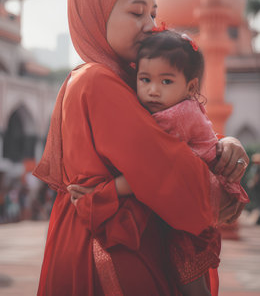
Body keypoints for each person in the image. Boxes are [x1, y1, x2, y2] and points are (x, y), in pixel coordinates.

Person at [34, 0, 249, 296]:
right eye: (137, 14)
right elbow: (163, 165)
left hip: (112, 237)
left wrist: (222, 144)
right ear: (97, 13)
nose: (150, 26)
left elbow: (170, 136)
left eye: (153, 14)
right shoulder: (98, 80)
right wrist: (218, 179)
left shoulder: (124, 80)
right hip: (110, 246)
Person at [90, 30, 248, 296]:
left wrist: (107, 189)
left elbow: (153, 165)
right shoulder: (173, 106)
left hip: (192, 206)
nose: (152, 90)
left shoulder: (177, 115)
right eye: (145, 79)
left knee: (189, 281)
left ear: (190, 88)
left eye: (166, 81)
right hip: (189, 200)